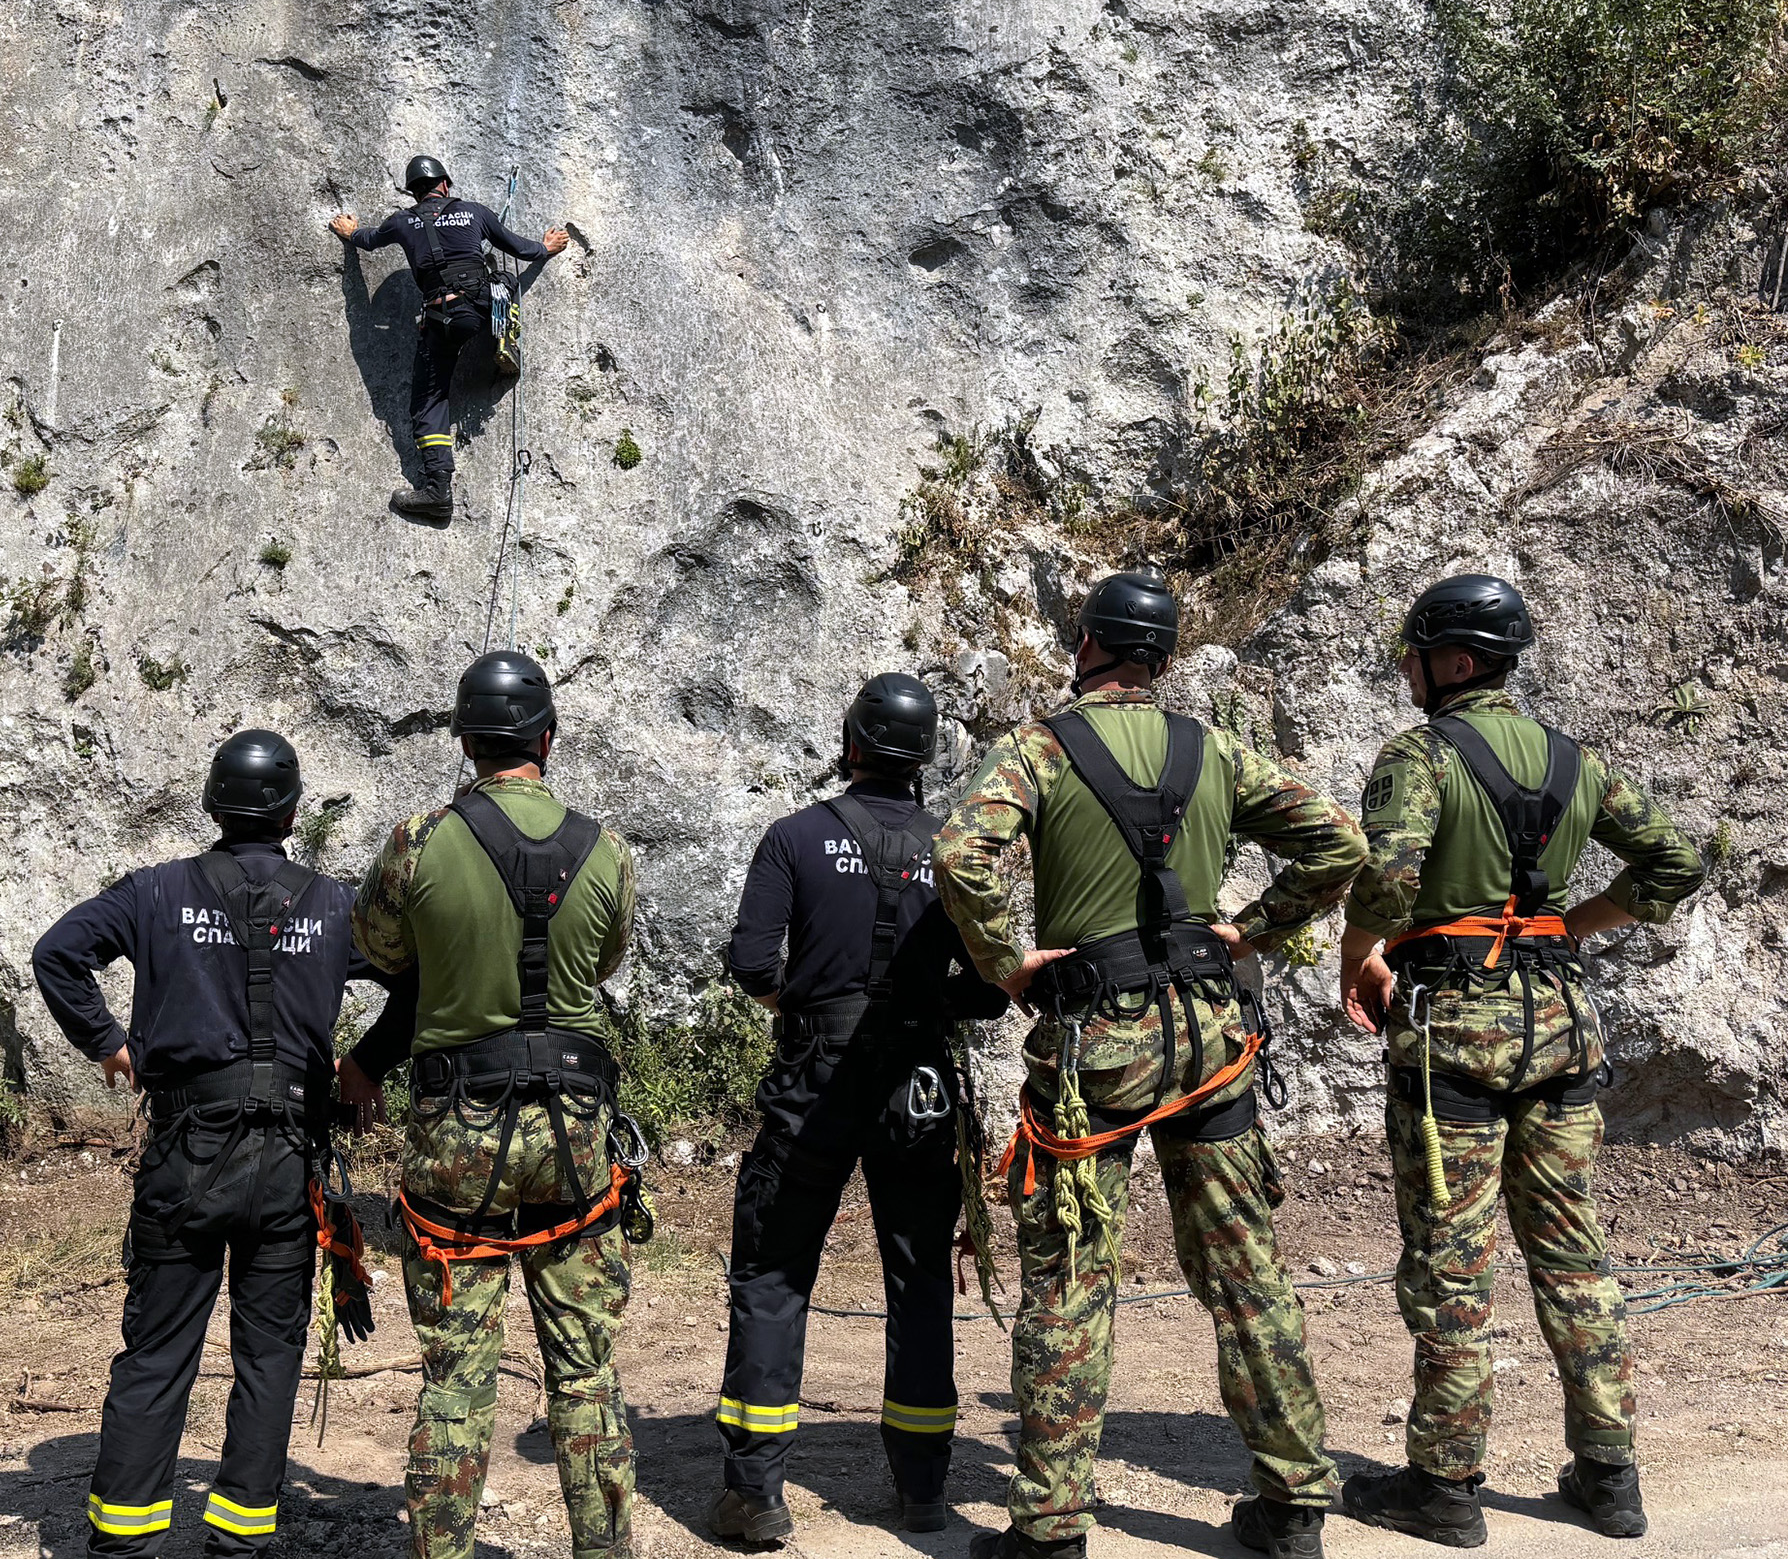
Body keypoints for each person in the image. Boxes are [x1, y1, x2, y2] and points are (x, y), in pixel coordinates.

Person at [933, 572, 1368, 1559]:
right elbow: (1339, 841)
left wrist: (1007, 962)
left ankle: (1051, 1525)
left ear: (1087, 644)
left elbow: (959, 854)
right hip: (1209, 1037)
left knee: (1070, 1273)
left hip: (1097, 1045)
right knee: (1244, 1264)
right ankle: (1294, 1503)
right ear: (1162, 657)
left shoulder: (1040, 749)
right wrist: (1252, 928)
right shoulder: (1211, 748)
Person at [1335, 574, 1706, 1548]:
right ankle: (1610, 1476)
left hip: (1455, 1041)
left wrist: (1357, 957)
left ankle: (1445, 1487)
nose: (1406, 670)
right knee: (1573, 1253)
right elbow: (1674, 860)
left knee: (1453, 1266)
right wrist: (1567, 925)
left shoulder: (1420, 755)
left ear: (1457, 661)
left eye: (1416, 654)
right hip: (1562, 1031)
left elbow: (1387, 876)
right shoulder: (1575, 761)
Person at [30, 729, 411, 1558]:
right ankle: (239, 1541)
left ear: (212, 804)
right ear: (293, 814)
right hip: (288, 1162)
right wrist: (366, 1064)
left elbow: (58, 953)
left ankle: (124, 1542)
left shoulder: (156, 891)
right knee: (269, 1354)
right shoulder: (334, 905)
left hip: (187, 1154)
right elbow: (416, 977)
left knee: (159, 1350)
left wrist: (108, 1043)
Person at [338, 651, 642, 1559]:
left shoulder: (417, 841)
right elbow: (606, 958)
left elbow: (380, 947)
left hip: (458, 1134)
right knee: (586, 1374)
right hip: (574, 1136)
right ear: (547, 738)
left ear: (466, 742)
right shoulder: (606, 850)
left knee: (455, 1383)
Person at [709, 673, 1010, 1543]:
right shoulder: (954, 849)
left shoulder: (795, 837)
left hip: (815, 1078)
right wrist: (923, 1006)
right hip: (919, 1083)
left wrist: (812, 1008)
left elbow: (752, 962)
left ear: (850, 745)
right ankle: (922, 1490)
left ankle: (756, 1492)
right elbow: (992, 986)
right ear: (927, 758)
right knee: (919, 1277)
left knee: (774, 1271)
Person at [330, 154, 568, 524]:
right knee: (503, 279)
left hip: (444, 317)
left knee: (429, 401)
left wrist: (349, 232)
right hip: (485, 306)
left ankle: (437, 491)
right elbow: (521, 249)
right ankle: (505, 333)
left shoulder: (402, 221)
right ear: (444, 184)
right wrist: (547, 247)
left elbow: (369, 240)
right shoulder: (474, 212)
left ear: (414, 192)